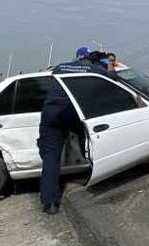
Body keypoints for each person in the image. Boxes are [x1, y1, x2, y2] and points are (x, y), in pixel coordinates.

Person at [38, 46, 109, 215]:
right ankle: (94, 172)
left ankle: (49, 203)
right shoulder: (91, 70)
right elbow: (112, 78)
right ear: (89, 60)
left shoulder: (60, 67)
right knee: (90, 141)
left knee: (50, 159)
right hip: (72, 113)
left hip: (50, 114)